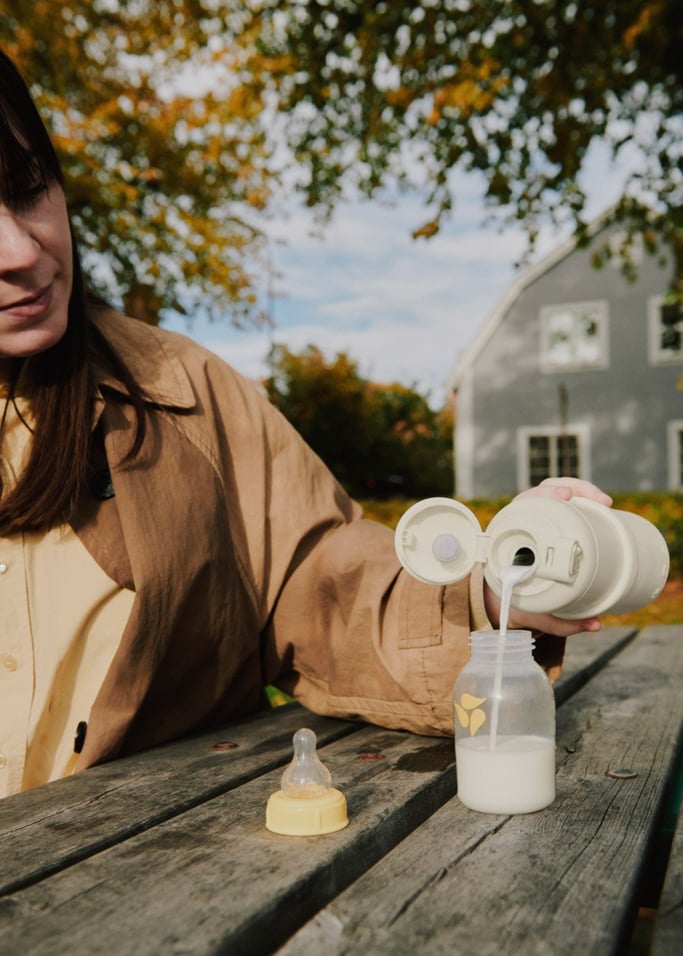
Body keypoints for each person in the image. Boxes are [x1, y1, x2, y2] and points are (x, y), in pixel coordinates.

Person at [0, 48, 612, 798]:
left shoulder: (182, 391)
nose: (22, 251)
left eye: (29, 189)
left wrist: (487, 596)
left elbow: (318, 580)